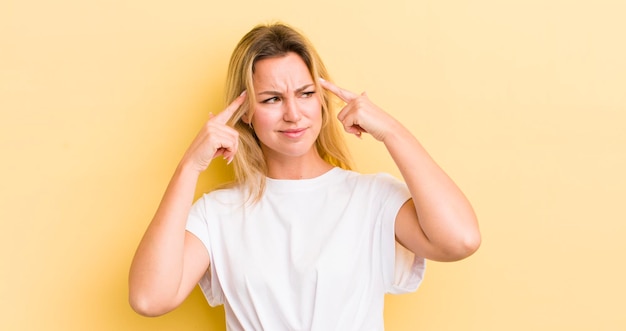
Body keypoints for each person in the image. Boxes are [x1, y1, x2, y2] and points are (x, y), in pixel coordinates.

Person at [129, 22, 481, 330]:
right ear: (246, 111)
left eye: (306, 93)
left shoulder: (372, 198)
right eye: (271, 100)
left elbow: (461, 240)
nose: (293, 114)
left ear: (323, 100)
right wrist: (189, 166)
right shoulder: (218, 213)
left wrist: (391, 131)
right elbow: (148, 299)